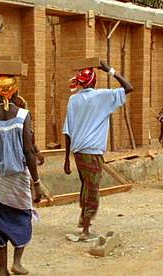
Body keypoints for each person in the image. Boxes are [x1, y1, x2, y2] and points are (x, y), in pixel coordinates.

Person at [0, 76, 43, 276]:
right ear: (15, 92)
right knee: (23, 218)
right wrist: (37, 182)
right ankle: (17, 262)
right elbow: (28, 151)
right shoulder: (23, 115)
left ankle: (1, 270)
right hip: (17, 180)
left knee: (0, 223)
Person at [63, 61, 133, 241]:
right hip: (92, 151)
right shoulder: (101, 96)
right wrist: (110, 70)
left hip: (78, 152)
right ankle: (85, 230)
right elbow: (128, 87)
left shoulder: (73, 99)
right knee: (92, 189)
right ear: (94, 82)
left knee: (86, 186)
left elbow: (67, 130)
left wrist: (66, 158)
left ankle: (83, 220)